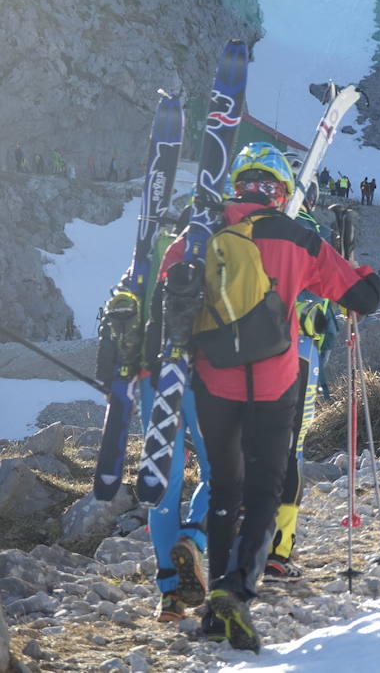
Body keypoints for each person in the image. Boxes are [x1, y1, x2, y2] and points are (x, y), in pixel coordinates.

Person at [159, 142, 380, 651]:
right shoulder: (296, 235)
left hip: (213, 381)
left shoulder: (202, 230)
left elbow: (168, 291)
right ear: (281, 190)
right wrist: (358, 267)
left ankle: (215, 595)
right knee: (265, 487)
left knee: (222, 488)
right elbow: (362, 298)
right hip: (276, 382)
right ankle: (237, 592)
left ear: (237, 183)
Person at [98, 216, 212, 624]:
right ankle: (194, 538)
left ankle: (170, 598)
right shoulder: (208, 245)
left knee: (164, 480)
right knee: (218, 470)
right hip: (202, 373)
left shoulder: (147, 256)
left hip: (150, 375)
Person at [267, 178, 338, 580]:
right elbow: (325, 299)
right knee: (292, 448)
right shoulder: (314, 234)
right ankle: (279, 549)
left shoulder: (248, 233)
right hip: (301, 351)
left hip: (247, 356)